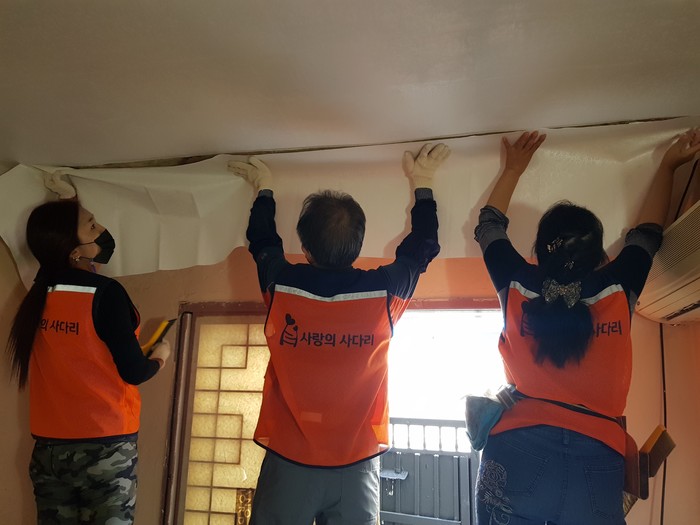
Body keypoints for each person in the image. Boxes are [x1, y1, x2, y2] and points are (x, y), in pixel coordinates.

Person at [472, 128, 700, 524]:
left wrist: (513, 169)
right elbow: (648, 234)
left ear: (540, 251)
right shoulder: (618, 286)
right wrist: (668, 166)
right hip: (599, 455)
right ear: (599, 255)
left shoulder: (517, 283)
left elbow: (488, 226)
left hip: (516, 448)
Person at [228, 143, 450, 525]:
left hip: (289, 461)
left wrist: (264, 187)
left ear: (305, 248)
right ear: (358, 246)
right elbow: (422, 247)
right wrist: (423, 182)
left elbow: (262, 242)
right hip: (356, 466)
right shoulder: (385, 293)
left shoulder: (282, 285)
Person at [6, 174, 172, 524]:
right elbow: (133, 371)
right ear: (74, 250)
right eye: (92, 225)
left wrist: (68, 200)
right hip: (105, 447)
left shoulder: (37, 296)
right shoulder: (105, 293)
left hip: (50, 451)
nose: (102, 230)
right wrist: (160, 356)